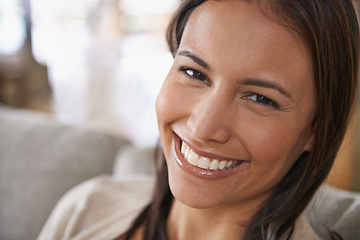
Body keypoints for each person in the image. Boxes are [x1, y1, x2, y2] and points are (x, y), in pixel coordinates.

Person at [38, 0, 360, 239]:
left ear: (316, 130)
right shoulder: (88, 209)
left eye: (260, 98)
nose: (202, 128)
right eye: (194, 72)